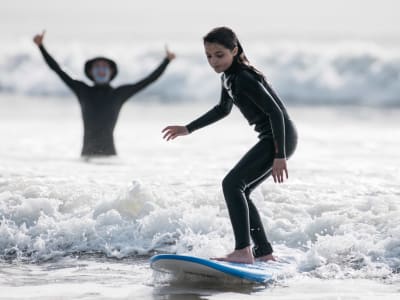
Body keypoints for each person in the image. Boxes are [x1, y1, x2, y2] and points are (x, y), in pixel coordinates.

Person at [162, 27, 298, 264]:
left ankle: (243, 251)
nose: (213, 61)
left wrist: (280, 155)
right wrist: (188, 128)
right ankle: (263, 251)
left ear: (234, 51)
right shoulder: (228, 77)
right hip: (274, 138)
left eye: (219, 55)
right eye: (208, 56)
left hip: (279, 137)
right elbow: (222, 110)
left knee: (232, 184)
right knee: (241, 189)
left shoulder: (244, 76)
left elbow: (276, 114)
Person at [33, 31, 176, 157]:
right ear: (90, 72)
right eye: (97, 66)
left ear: (111, 71)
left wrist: (166, 61)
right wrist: (41, 47)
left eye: (104, 66)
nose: (101, 69)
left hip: (110, 161)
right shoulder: (82, 90)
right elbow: (58, 70)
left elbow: (148, 81)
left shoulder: (119, 94)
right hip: (86, 158)